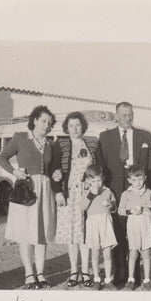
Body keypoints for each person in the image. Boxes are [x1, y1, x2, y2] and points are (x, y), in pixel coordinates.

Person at [97, 101, 151, 285]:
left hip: (138, 191)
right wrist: (104, 193)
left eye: (130, 114)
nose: (128, 118)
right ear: (116, 116)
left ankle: (137, 274)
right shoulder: (105, 136)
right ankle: (120, 271)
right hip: (116, 190)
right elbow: (101, 167)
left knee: (137, 231)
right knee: (118, 231)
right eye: (124, 115)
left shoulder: (144, 136)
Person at [0, 105, 57, 289]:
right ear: (35, 120)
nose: (46, 125)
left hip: (45, 191)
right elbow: (2, 158)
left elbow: (53, 168)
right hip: (26, 190)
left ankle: (40, 273)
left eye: (49, 123)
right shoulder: (20, 138)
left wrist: (57, 174)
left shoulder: (51, 145)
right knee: (26, 232)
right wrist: (15, 172)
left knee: (41, 233)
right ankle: (29, 274)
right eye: (43, 121)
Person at [51, 112, 101, 288]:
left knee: (85, 234)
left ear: (83, 126)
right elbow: (54, 170)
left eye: (78, 125)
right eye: (71, 126)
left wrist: (96, 189)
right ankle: (74, 271)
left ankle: (85, 271)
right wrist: (57, 192)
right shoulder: (61, 143)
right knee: (72, 234)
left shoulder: (93, 143)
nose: (74, 129)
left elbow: (100, 168)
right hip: (69, 193)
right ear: (66, 127)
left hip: (88, 194)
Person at [118, 165, 151, 291]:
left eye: (140, 179)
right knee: (133, 252)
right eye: (134, 180)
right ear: (129, 180)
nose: (137, 183)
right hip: (133, 224)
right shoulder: (126, 194)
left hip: (146, 223)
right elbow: (120, 211)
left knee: (146, 252)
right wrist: (130, 211)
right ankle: (131, 279)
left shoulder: (149, 192)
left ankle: (146, 280)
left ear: (145, 178)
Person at [79, 164, 118, 290]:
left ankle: (108, 279)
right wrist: (91, 194)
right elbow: (82, 207)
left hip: (105, 222)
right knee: (95, 252)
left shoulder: (108, 191)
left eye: (99, 180)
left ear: (103, 179)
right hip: (93, 224)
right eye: (93, 181)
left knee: (107, 252)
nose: (97, 183)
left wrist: (110, 206)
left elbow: (114, 207)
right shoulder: (87, 193)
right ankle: (96, 279)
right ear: (88, 181)